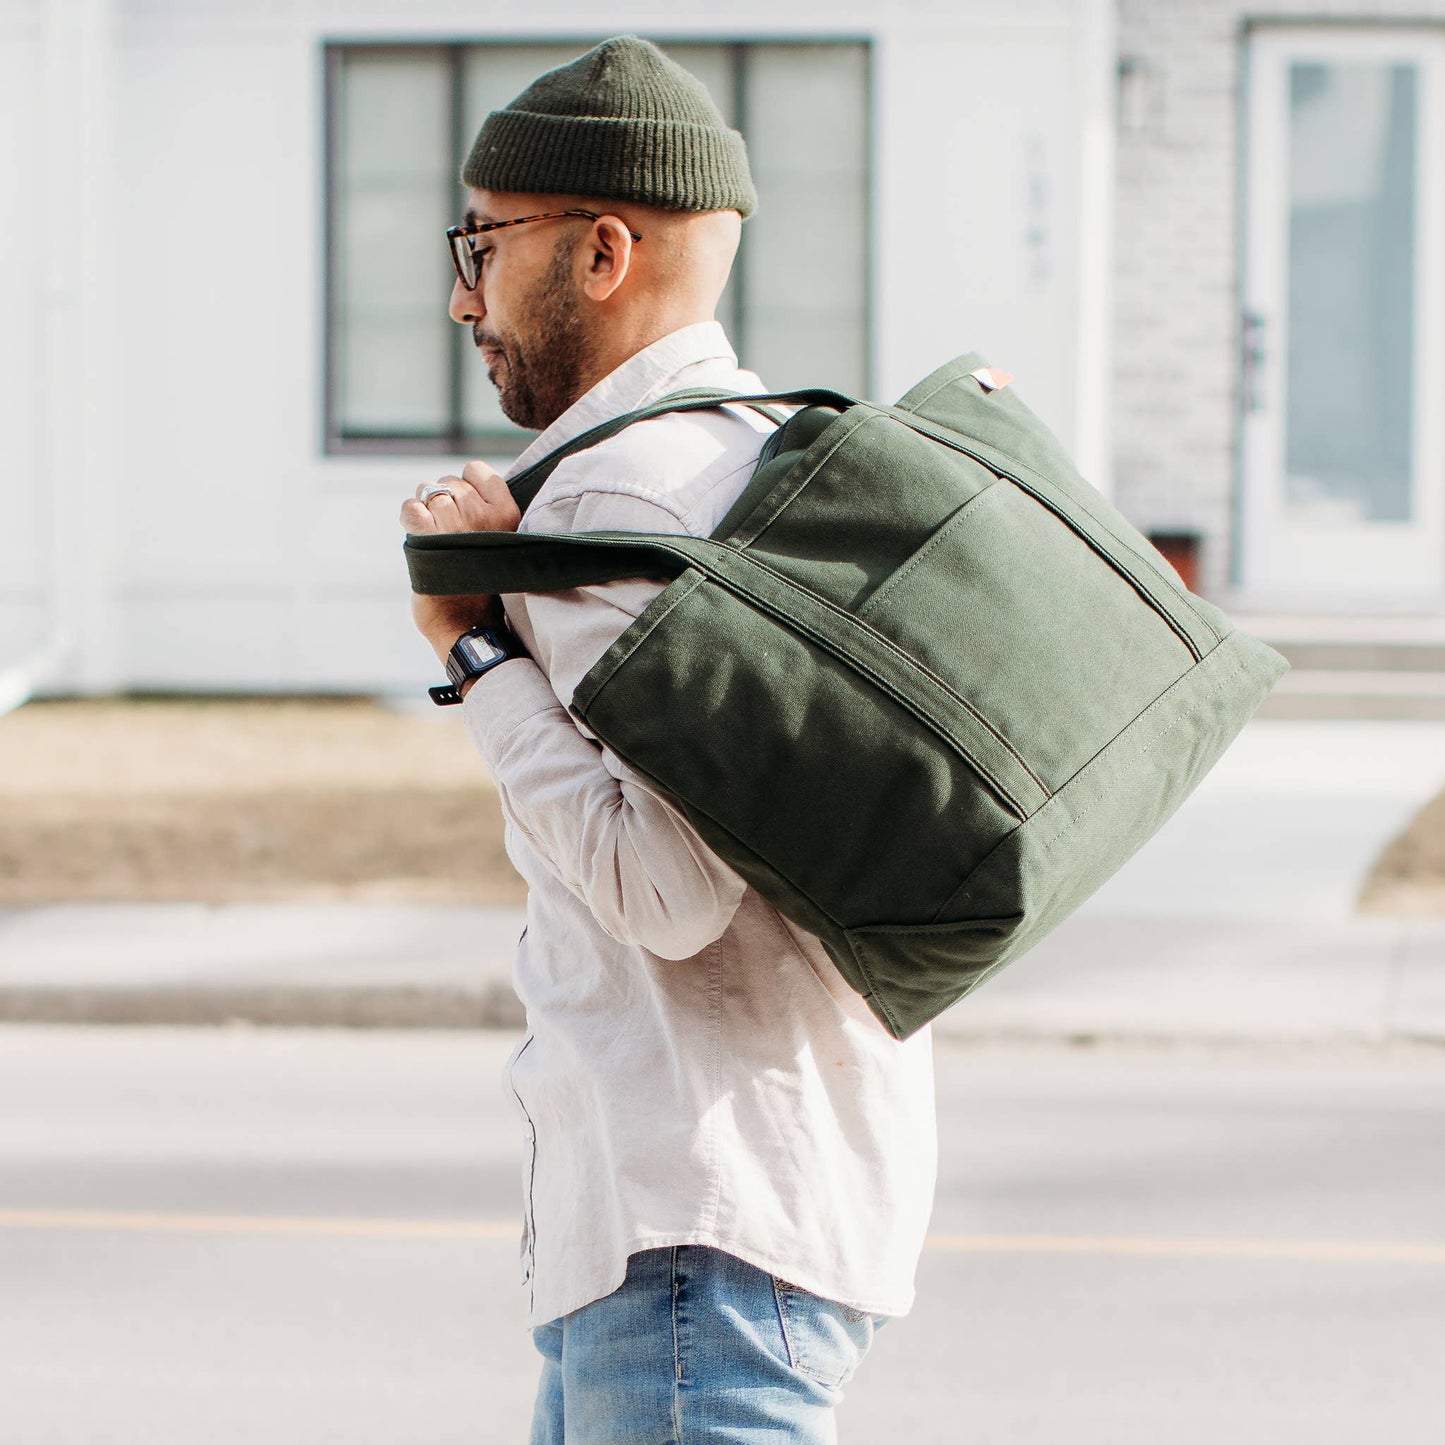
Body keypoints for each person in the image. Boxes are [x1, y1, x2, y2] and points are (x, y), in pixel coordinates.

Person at [398, 36, 936, 1444]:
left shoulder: (615, 499)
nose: (461, 296)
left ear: (600, 253)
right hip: (746, 1217)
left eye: (481, 244)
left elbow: (665, 889)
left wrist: (468, 638)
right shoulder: (762, 456)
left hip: (688, 1237)